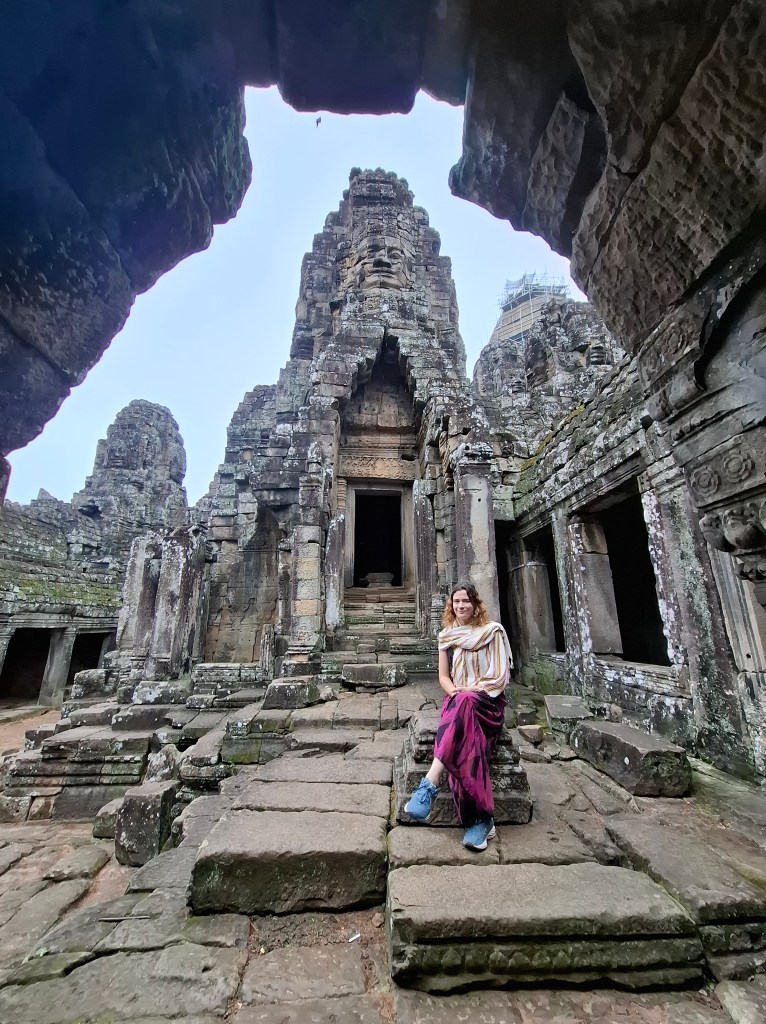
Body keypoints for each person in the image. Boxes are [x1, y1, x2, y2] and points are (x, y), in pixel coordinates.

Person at [404, 582, 512, 850]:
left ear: (475, 604)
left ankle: (429, 783)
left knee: (463, 704)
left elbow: (499, 678)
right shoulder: (447, 636)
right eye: (456, 602)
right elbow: (443, 677)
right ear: (451, 606)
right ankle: (481, 820)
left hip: (487, 702)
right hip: (458, 699)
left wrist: (468, 692)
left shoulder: (492, 631)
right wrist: (455, 692)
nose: (461, 606)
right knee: (466, 738)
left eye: (466, 601)